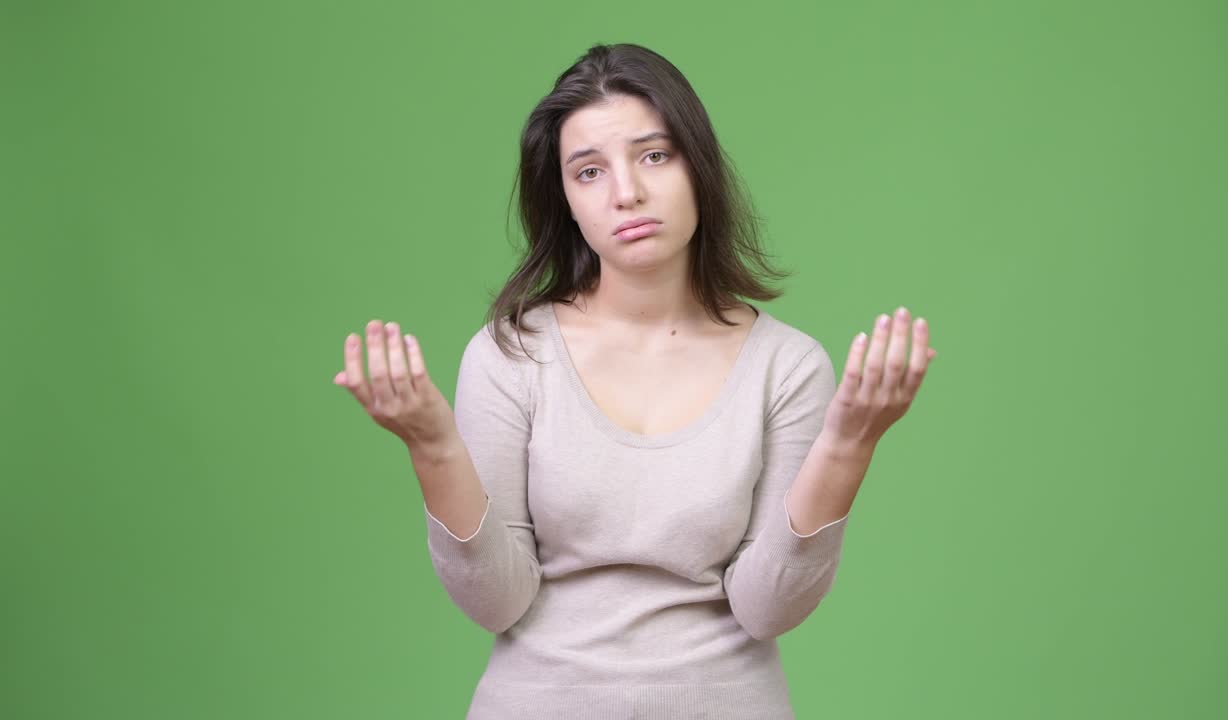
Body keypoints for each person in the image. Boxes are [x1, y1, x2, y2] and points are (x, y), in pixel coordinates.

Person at [334, 42, 937, 719]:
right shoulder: (511, 355)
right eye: (589, 171)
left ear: (698, 167)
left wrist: (849, 445)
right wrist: (432, 446)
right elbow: (495, 602)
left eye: (654, 156)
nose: (626, 193)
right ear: (564, 198)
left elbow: (767, 609)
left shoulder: (787, 366)